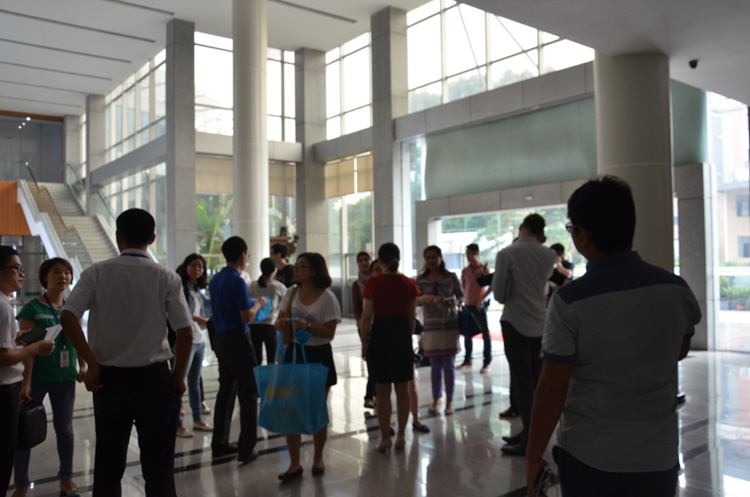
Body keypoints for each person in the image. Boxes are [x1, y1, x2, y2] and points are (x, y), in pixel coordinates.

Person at [526, 176, 702, 497]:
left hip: (591, 458)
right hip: (658, 457)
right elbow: (679, 349)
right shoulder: (676, 289)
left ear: (583, 236)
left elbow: (552, 390)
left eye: (572, 229)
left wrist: (533, 456)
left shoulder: (570, 301)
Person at [59, 209, 194, 497]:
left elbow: (68, 316)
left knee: (108, 465)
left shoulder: (96, 273)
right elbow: (185, 331)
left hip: (109, 381)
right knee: (159, 468)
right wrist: (178, 376)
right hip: (154, 380)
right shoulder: (166, 277)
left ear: (118, 237)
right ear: (152, 238)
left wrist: (91, 364)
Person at [14, 258, 84, 497]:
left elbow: (78, 337)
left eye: (67, 272)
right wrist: (26, 382)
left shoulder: (72, 307)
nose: (63, 277)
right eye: (57, 272)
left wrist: (83, 363)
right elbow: (27, 350)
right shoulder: (32, 309)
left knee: (65, 429)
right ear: (45, 277)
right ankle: (21, 483)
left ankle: (67, 478)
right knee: (24, 430)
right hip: (37, 378)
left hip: (65, 377)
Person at [492, 214, 556, 457]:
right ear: (541, 232)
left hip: (515, 323)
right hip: (540, 324)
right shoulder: (549, 254)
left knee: (522, 384)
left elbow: (499, 295)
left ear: (522, 228)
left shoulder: (507, 254)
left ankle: (529, 439)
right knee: (536, 382)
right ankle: (530, 433)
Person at [275, 253, 341, 482]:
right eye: (297, 266)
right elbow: (279, 320)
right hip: (295, 354)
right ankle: (294, 463)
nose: (296, 269)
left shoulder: (327, 298)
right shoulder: (291, 293)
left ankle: (318, 458)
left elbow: (330, 333)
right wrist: (281, 323)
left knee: (317, 410)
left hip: (319, 355)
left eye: (302, 266)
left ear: (314, 271)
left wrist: (308, 326)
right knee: (292, 410)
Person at [208, 236, 268, 464]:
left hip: (220, 339)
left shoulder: (216, 279)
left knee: (226, 391)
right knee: (248, 393)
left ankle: (219, 443)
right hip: (237, 340)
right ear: (243, 255)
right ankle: (246, 448)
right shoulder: (237, 281)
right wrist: (259, 304)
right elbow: (246, 316)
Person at [1, 246, 55, 494]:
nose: (22, 274)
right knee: (4, 454)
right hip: (4, 390)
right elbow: (3, 358)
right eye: (16, 268)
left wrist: (15, 337)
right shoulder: (3, 307)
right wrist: (34, 348)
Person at [360, 243, 420, 453]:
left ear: (380, 261)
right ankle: (401, 435)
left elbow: (367, 315)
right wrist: (406, 338)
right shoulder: (409, 283)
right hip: (402, 336)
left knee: (382, 390)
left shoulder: (374, 282)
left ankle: (385, 438)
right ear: (398, 259)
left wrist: (364, 342)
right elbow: (412, 318)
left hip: (381, 336)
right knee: (403, 390)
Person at [416, 245, 464, 416]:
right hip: (431, 325)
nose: (431, 260)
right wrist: (424, 298)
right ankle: (436, 398)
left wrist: (455, 301)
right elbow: (415, 300)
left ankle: (450, 400)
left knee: (449, 365)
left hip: (449, 324)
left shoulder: (451, 277)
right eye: (427, 257)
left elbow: (461, 296)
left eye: (434, 257)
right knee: (435, 365)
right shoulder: (421, 279)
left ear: (440, 258)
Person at [175, 254, 212, 437]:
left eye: (201, 266)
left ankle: (197, 419)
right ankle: (177, 424)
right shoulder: (181, 288)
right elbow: (177, 313)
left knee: (195, 381)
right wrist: (197, 319)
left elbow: (208, 308)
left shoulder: (197, 289)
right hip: (186, 339)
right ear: (186, 266)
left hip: (199, 339)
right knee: (179, 380)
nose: (198, 269)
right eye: (194, 265)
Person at [458, 243, 492, 372]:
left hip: (479, 305)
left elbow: (491, 286)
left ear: (476, 253)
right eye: (466, 253)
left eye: (469, 253)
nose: (467, 256)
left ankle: (486, 362)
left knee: (485, 333)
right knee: (467, 333)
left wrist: (482, 299)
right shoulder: (465, 271)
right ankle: (468, 359)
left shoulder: (483, 268)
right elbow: (463, 286)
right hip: (468, 304)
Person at [248, 258, 287, 365]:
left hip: (254, 326)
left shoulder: (251, 286)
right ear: (275, 270)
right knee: (272, 359)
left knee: (256, 359)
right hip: (270, 326)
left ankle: (257, 376)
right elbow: (285, 306)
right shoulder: (279, 287)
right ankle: (272, 376)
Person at [352, 250, 377, 409]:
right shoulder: (357, 285)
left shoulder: (377, 281)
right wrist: (361, 323)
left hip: (380, 324)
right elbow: (356, 306)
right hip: (365, 325)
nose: (363, 263)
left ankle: (374, 394)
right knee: (371, 361)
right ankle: (370, 396)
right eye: (360, 260)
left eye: (365, 260)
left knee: (378, 361)